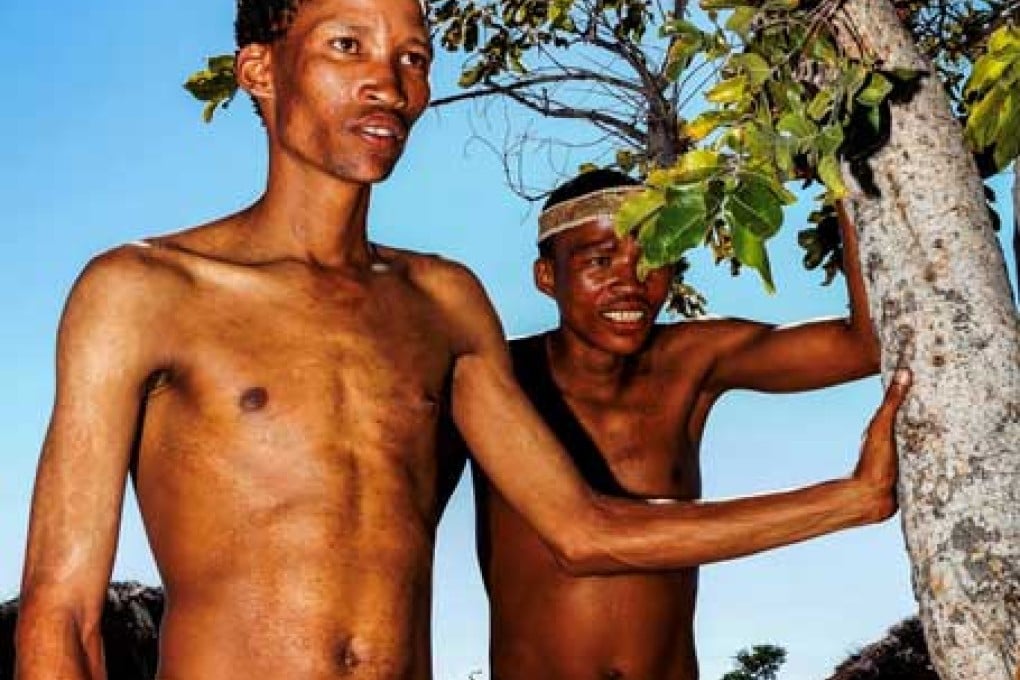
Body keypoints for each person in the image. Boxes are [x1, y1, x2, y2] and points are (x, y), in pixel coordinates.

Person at [15, 1, 910, 679]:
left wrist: (850, 500)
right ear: (259, 67)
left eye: (412, 57)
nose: (389, 82)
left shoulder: (444, 301)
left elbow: (581, 530)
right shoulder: (141, 290)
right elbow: (62, 616)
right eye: (347, 45)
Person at [468, 169, 884, 680]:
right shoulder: (499, 381)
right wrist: (854, 496)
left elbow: (864, 346)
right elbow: (583, 540)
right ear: (547, 277)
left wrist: (840, 175)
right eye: (600, 261)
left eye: (653, 260)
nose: (631, 282)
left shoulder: (691, 362)